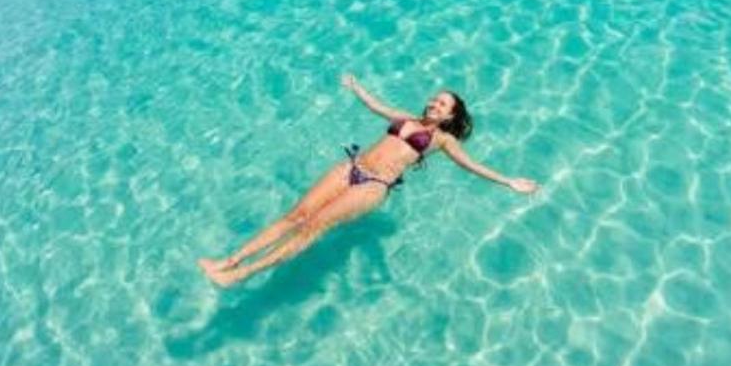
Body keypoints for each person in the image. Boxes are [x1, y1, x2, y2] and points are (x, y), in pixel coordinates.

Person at [198, 74, 540, 287]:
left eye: (442, 103)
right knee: (296, 215)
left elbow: (472, 166)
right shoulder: (406, 117)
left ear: (451, 115)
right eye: (434, 98)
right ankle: (230, 260)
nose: (434, 103)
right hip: (352, 166)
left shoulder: (443, 141)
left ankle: (241, 275)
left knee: (312, 226)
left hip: (374, 185)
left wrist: (508, 181)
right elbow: (377, 106)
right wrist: (356, 87)